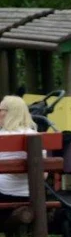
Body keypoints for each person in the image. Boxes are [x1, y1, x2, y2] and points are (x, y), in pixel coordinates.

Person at [0, 95, 40, 223]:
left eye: (0, 110)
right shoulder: (37, 136)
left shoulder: (1, 137)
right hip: (31, 195)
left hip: (4, 194)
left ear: (8, 113)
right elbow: (43, 175)